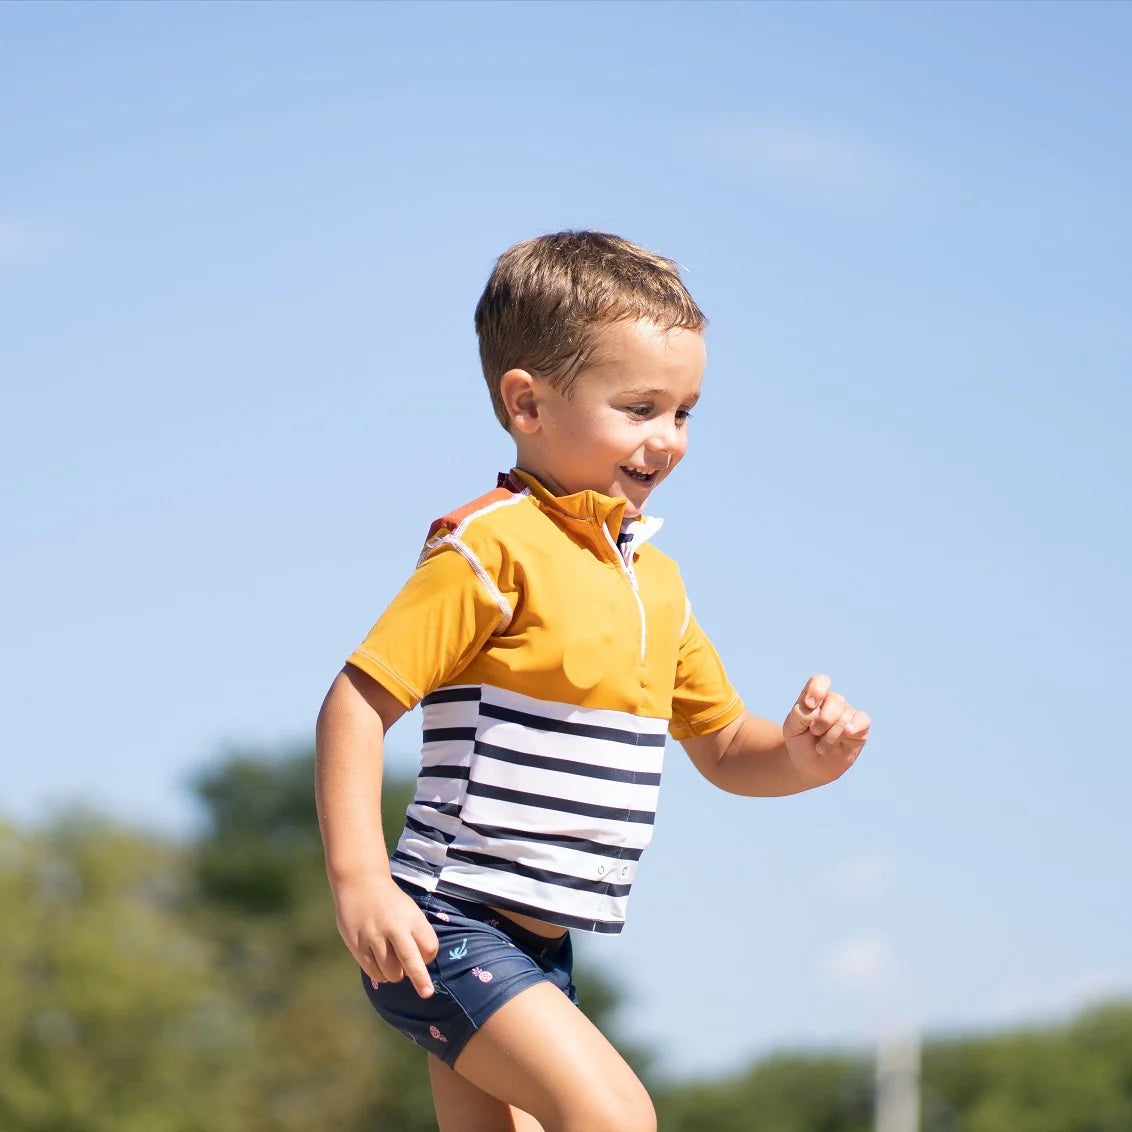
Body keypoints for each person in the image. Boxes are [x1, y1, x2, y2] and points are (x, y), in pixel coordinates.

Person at [315, 230, 871, 1132]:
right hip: (444, 923)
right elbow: (354, 702)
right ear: (528, 403)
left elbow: (729, 749)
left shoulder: (653, 582)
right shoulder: (489, 548)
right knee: (614, 1117)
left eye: (684, 412)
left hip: (540, 942)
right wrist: (360, 880)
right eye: (641, 407)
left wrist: (805, 756)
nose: (671, 440)